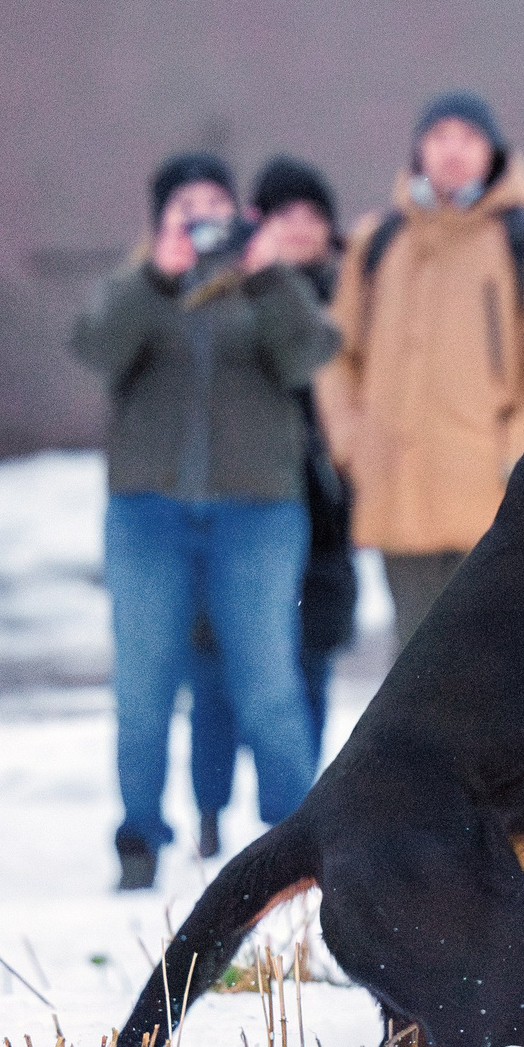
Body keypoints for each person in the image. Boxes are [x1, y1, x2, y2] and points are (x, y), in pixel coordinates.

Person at [71, 153, 339, 890]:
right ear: (159, 219)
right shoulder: (136, 284)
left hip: (257, 515)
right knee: (143, 687)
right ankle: (139, 838)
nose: (201, 220)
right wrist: (157, 274)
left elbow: (310, 354)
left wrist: (266, 274)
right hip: (147, 515)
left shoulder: (267, 283)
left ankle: (298, 842)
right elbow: (95, 348)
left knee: (268, 685)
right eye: (183, 207)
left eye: (215, 204)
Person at [326, 94, 524, 648]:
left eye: (467, 137)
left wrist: (518, 449)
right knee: (412, 666)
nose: (452, 150)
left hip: (491, 494)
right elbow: (336, 353)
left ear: (493, 151)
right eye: (438, 137)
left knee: (491, 662)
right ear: (419, 150)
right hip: (398, 491)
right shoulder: (379, 240)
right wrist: (350, 440)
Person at [184, 155, 359, 860]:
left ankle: (297, 812)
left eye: (313, 218)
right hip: (242, 504)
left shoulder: (350, 295)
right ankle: (209, 809)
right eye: (284, 217)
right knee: (220, 667)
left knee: (307, 662)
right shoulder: (227, 291)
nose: (301, 231)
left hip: (321, 512)